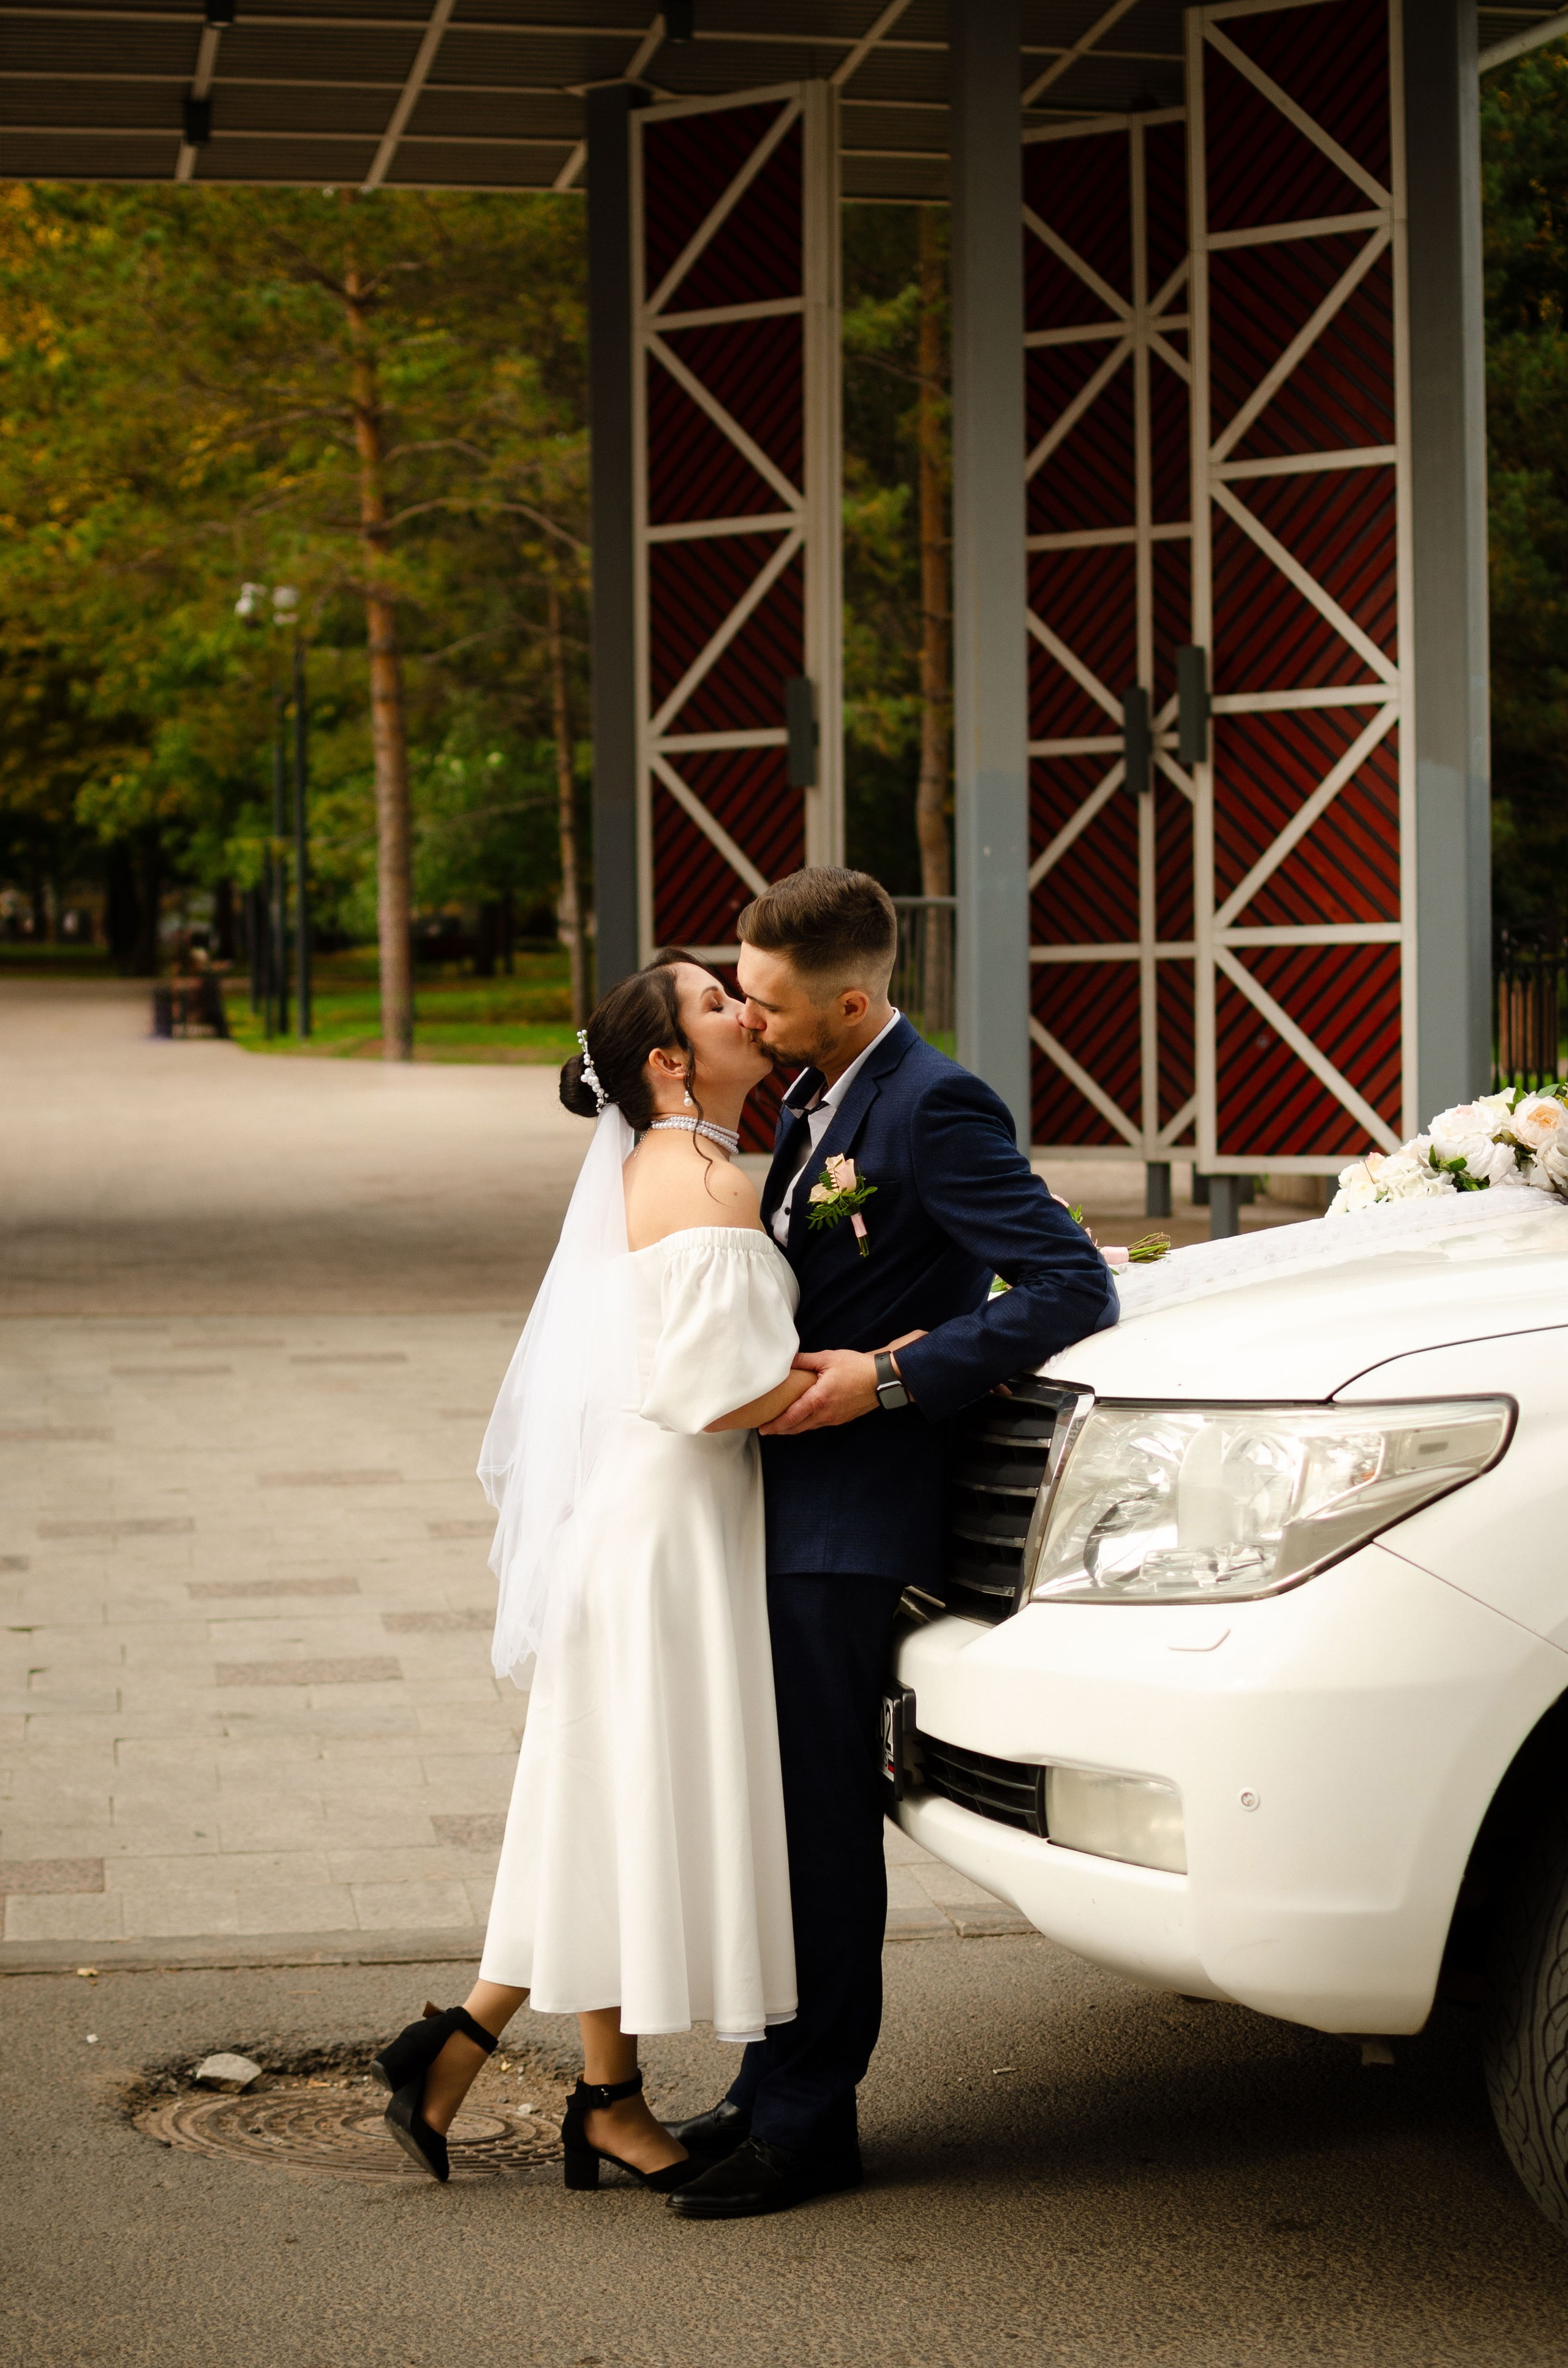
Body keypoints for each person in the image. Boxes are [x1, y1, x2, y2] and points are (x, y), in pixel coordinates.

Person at [665, 868, 1119, 2221]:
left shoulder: (932, 1105)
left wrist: (888, 1378)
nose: (748, 1014)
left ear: (850, 999)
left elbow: (1065, 1282)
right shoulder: (810, 1096)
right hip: (781, 1504)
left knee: (816, 1826)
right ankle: (763, 2083)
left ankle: (812, 2124)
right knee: (779, 1815)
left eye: (768, 998)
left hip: (852, 1521)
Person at [371, 953, 817, 2195]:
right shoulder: (705, 1180)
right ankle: (483, 2056)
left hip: (641, 1519)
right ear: (669, 1062)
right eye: (717, 1003)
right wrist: (887, 1367)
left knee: (606, 1799)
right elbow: (719, 1391)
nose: (744, 1009)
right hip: (672, 1527)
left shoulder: (661, 1166)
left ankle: (562, 2082)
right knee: (620, 1802)